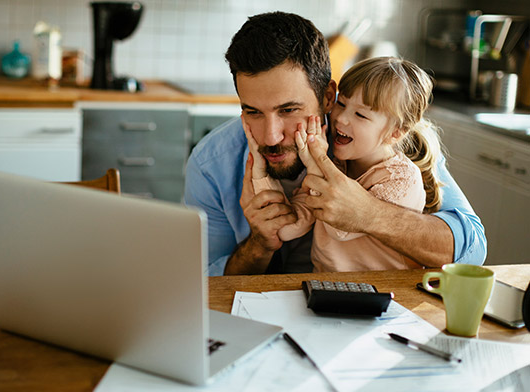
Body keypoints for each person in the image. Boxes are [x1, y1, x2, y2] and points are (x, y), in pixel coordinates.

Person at [184, 11, 486, 276]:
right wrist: (260, 243)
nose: (271, 137)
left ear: (329, 97)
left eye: (289, 110)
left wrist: (368, 213)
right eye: (252, 111)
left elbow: (471, 248)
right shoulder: (212, 163)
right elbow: (204, 284)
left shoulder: (383, 142)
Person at [246, 56, 443, 271]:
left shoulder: (402, 179)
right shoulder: (338, 164)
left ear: (395, 133)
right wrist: (260, 171)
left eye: (360, 114)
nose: (341, 118)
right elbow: (288, 230)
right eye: (342, 103)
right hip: (328, 288)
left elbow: (340, 227)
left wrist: (315, 164)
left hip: (384, 292)